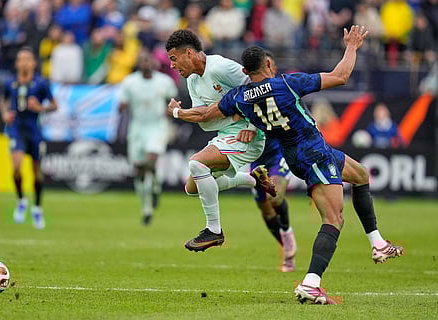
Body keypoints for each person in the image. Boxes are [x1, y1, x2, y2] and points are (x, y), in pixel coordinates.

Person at [167, 26, 404, 304]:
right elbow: (340, 76)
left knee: (361, 174)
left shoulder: (238, 97)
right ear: (268, 63)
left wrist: (176, 111)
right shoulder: (287, 83)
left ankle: (378, 243)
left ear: (244, 72)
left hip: (295, 154)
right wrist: (351, 46)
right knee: (334, 220)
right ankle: (311, 283)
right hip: (312, 152)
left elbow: (207, 113)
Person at [165, 29, 276, 252]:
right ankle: (253, 179)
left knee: (197, 163)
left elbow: (262, 88)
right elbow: (203, 117)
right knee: (192, 187)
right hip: (226, 134)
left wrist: (252, 125)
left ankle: (214, 231)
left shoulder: (220, 67)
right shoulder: (193, 80)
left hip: (248, 134)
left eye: (173, 59)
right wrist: (195, 114)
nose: (172, 65)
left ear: (189, 53)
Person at [0, 47, 58, 229]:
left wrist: (40, 108)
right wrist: (5, 114)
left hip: (34, 130)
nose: (23, 62)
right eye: (20, 59)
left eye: (27, 59)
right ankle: (21, 200)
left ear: (33, 63)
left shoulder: (40, 84)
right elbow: (3, 100)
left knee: (37, 172)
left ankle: (37, 208)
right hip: (16, 128)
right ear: (16, 63)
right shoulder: (10, 83)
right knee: (16, 167)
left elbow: (54, 105)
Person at [249, 51, 297, 272]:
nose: (274, 70)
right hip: (256, 158)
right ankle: (286, 249)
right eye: (270, 65)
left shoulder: (281, 88)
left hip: (278, 153)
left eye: (274, 65)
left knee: (275, 197)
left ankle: (287, 234)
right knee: (265, 208)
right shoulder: (245, 94)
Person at [119, 50, 178, 225]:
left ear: (154, 63)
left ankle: (155, 186)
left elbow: (173, 99)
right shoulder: (130, 82)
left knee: (151, 160)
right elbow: (121, 105)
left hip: (157, 127)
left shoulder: (164, 81)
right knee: (139, 170)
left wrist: (171, 113)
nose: (146, 64)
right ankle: (146, 207)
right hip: (137, 128)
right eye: (143, 61)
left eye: (148, 61)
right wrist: (121, 107)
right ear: (139, 64)